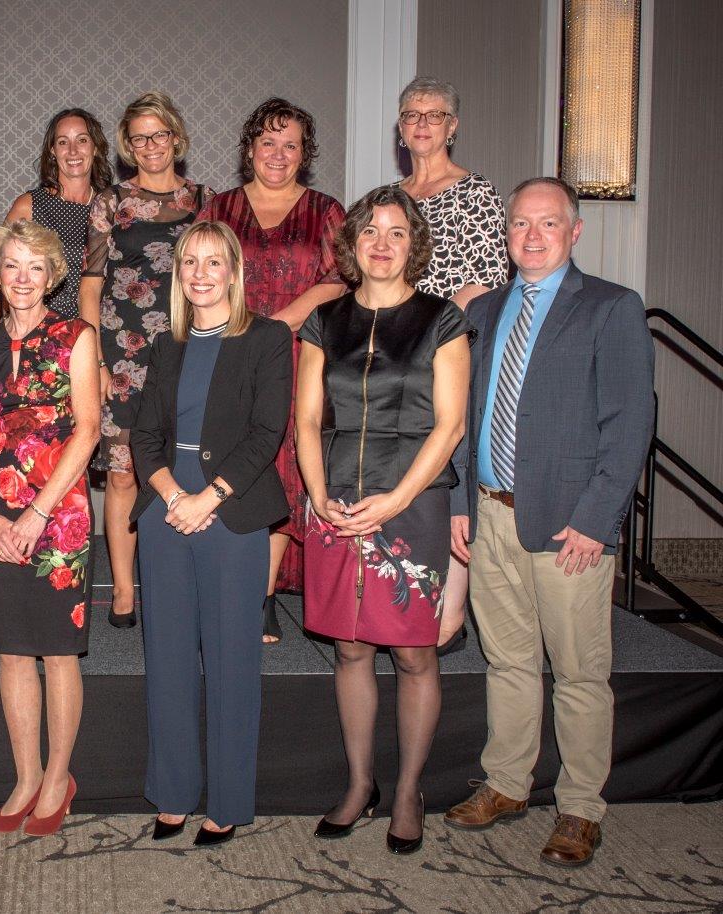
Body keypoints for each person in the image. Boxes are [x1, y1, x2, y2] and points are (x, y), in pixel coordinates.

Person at [444, 178, 654, 868]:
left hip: (570, 526)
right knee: (506, 660)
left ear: (574, 231)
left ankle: (578, 808)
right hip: (491, 514)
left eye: (547, 224)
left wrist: (597, 520)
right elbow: (464, 418)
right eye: (520, 225)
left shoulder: (611, 308)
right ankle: (507, 784)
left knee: (580, 672)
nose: (531, 237)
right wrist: (457, 503)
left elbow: (630, 425)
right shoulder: (486, 310)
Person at [296, 185, 472, 855]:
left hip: (414, 502)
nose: (382, 242)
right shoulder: (326, 320)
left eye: (397, 232)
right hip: (335, 498)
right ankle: (360, 783)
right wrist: (316, 492)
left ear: (413, 245)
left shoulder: (442, 320)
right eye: (371, 230)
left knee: (413, 650)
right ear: (352, 243)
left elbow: (451, 425)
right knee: (348, 647)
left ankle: (407, 792)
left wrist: (396, 501)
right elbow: (308, 418)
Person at [130, 221, 292, 845]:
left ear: (233, 271)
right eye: (189, 263)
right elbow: (145, 436)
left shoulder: (268, 338)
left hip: (234, 509)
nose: (200, 274)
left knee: (232, 659)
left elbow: (265, 432)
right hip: (167, 510)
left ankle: (226, 801)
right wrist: (173, 495)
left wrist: (209, 498)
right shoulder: (164, 345)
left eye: (213, 262)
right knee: (167, 658)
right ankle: (172, 792)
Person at [0, 220, 100, 837]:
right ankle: (24, 775)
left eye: (35, 267)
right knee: (13, 650)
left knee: (57, 651)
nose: (23, 278)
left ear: (52, 276)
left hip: (59, 514)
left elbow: (88, 430)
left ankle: (58, 776)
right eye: (11, 265)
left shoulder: (77, 336)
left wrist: (37, 513)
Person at [197, 98, 346, 643]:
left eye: (291, 144)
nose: (278, 154)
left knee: (283, 461)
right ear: (249, 149)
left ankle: (259, 597)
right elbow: (198, 271)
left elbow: (339, 279)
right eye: (268, 142)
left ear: (305, 153)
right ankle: (225, 581)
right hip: (227, 350)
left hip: (299, 352)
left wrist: (279, 323)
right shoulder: (220, 208)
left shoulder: (326, 210)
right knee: (230, 454)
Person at [80, 91, 214, 627]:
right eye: (140, 137)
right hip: (122, 355)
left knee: (187, 468)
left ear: (176, 138)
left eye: (160, 134)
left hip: (188, 350)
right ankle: (123, 588)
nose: (151, 145)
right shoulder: (111, 202)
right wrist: (95, 359)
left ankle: (178, 581)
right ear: (126, 146)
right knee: (122, 475)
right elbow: (91, 284)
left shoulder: (206, 200)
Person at [396, 76, 510, 653]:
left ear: (453, 126)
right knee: (410, 470)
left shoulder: (477, 194)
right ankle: (412, 585)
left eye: (434, 114)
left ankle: (454, 609)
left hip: (450, 349)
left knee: (452, 467)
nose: (422, 123)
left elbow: (484, 282)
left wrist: (423, 331)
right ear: (400, 124)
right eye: (412, 113)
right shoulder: (391, 198)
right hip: (394, 355)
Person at [0, 109, 113, 321]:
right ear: (52, 150)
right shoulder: (29, 206)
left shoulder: (112, 208)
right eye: (62, 142)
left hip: (99, 333)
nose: (72, 150)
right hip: (41, 334)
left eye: (82, 140)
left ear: (95, 147)